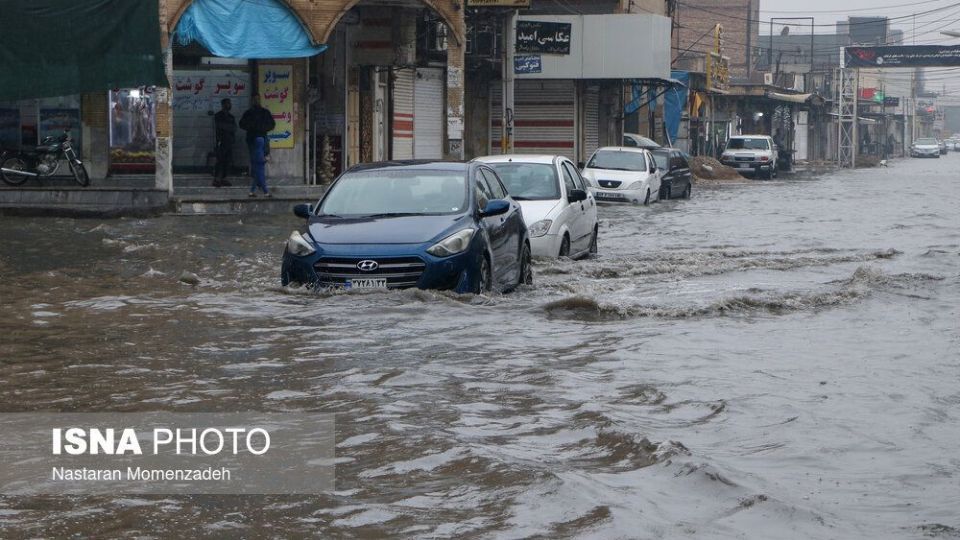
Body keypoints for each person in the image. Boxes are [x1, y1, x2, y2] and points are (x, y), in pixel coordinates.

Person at [239, 95, 275, 165]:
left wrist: (262, 128)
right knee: (254, 157)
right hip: (251, 138)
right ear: (252, 101)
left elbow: (272, 124)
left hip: (263, 137)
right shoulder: (248, 113)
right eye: (254, 99)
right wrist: (251, 127)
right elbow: (241, 124)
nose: (256, 101)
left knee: (263, 158)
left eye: (257, 99)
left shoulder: (265, 112)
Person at [213, 98, 235, 187]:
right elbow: (220, 126)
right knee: (220, 160)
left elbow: (234, 128)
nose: (229, 105)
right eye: (227, 103)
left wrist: (227, 128)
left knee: (227, 161)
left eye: (229, 103)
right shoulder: (218, 116)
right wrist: (228, 127)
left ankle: (225, 178)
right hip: (221, 141)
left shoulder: (231, 117)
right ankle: (217, 179)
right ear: (223, 105)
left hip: (229, 141)